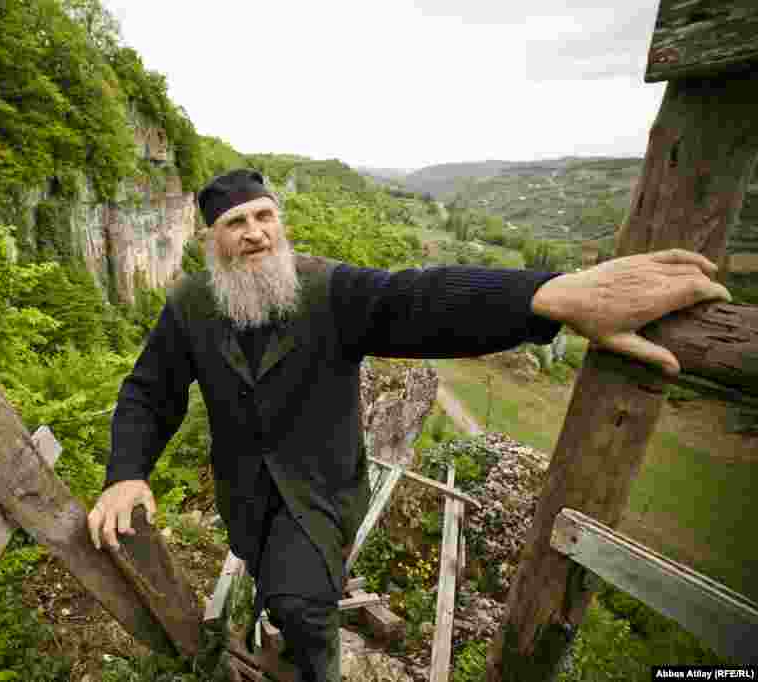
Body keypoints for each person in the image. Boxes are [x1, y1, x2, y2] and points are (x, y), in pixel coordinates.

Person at [87, 168, 730, 682]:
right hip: (248, 500)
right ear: (212, 241)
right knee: (271, 578)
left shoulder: (327, 290)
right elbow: (150, 392)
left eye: (265, 216)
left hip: (320, 494)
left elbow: (418, 300)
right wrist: (125, 474)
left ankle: (317, 668)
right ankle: (285, 629)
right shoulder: (191, 307)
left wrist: (550, 295)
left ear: (280, 223)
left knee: (303, 606)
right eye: (236, 222)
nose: (255, 231)